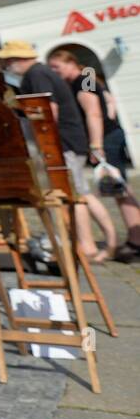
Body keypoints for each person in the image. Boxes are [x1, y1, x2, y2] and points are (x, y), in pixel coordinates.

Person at [0, 41, 113, 262]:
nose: (5, 65)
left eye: (7, 60)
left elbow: (51, 112)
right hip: (68, 141)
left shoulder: (39, 75)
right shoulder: (43, 74)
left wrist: (47, 145)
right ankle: (105, 241)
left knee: (74, 196)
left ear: (17, 59)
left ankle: (87, 246)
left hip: (64, 142)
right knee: (81, 193)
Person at [48, 48, 140, 260]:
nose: (54, 71)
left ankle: (136, 241)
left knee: (119, 188)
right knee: (118, 188)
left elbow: (93, 112)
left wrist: (96, 143)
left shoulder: (84, 79)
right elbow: (108, 100)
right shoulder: (87, 76)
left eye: (57, 67)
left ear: (71, 63)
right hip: (110, 134)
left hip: (105, 138)